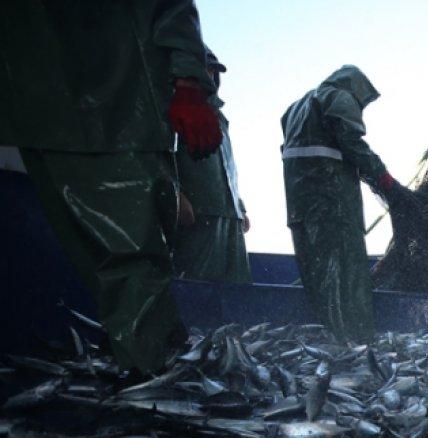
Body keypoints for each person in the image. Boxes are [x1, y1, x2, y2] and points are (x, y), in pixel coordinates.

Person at [0, 0, 220, 375]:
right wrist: (188, 82)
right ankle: (156, 376)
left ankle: (151, 365)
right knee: (132, 260)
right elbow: (172, 7)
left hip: (33, 110)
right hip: (117, 108)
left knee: (115, 262)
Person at [281, 66, 405, 342]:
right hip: (334, 207)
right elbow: (352, 143)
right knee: (349, 276)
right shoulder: (339, 97)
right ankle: (356, 340)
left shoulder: (295, 109)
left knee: (317, 275)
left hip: (300, 210)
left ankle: (329, 337)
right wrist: (382, 176)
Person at [174, 48, 251, 283]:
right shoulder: (173, 109)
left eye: (213, 70)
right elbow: (161, 156)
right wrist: (175, 195)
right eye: (205, 69)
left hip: (229, 215)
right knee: (200, 282)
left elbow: (227, 165)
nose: (209, 75)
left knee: (238, 285)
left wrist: (240, 206)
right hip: (199, 212)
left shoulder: (218, 116)